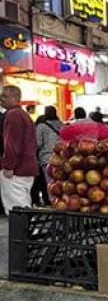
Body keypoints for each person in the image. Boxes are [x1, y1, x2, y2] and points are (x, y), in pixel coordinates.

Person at [0, 86, 39, 215]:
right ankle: (27, 233)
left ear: (15, 98)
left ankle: (21, 235)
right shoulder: (23, 115)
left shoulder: (13, 115)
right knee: (24, 205)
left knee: (16, 210)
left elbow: (11, 144)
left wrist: (8, 166)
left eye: (5, 96)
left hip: (17, 170)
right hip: (28, 168)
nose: (1, 99)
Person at [35, 106, 62, 206]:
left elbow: (38, 143)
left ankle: (54, 204)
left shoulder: (41, 126)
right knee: (60, 183)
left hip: (47, 159)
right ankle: (61, 203)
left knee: (50, 183)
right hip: (61, 158)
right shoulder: (62, 125)